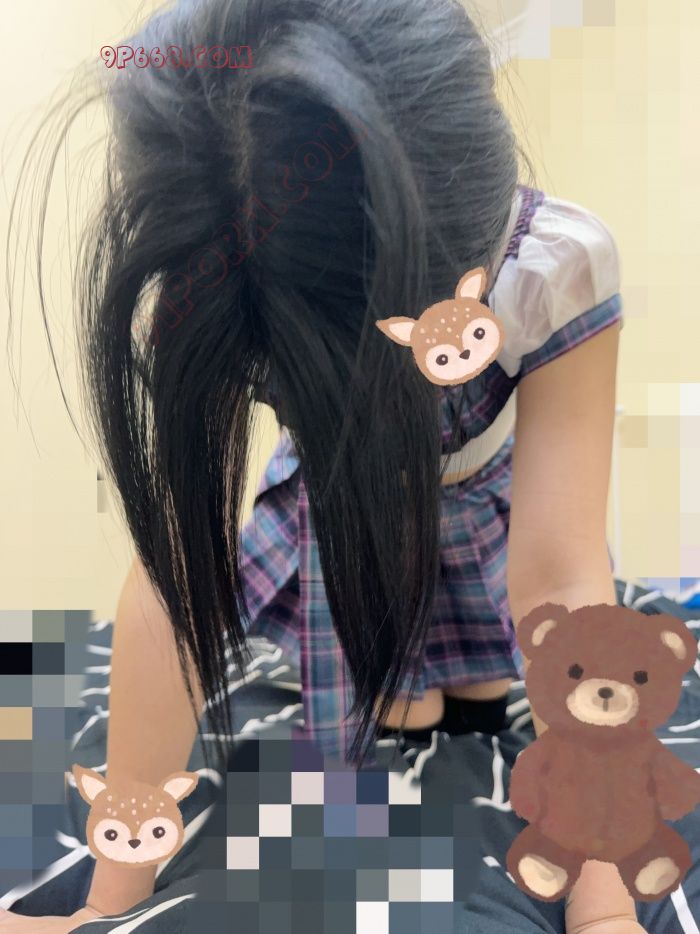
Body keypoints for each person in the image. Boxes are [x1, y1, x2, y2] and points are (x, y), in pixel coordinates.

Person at [2, 0, 653, 930]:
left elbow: (557, 579)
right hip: (342, 518)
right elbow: (175, 575)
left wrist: (604, 900)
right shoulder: (210, 264)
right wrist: (107, 904)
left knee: (479, 696)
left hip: (484, 512)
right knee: (394, 715)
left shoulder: (555, 270)